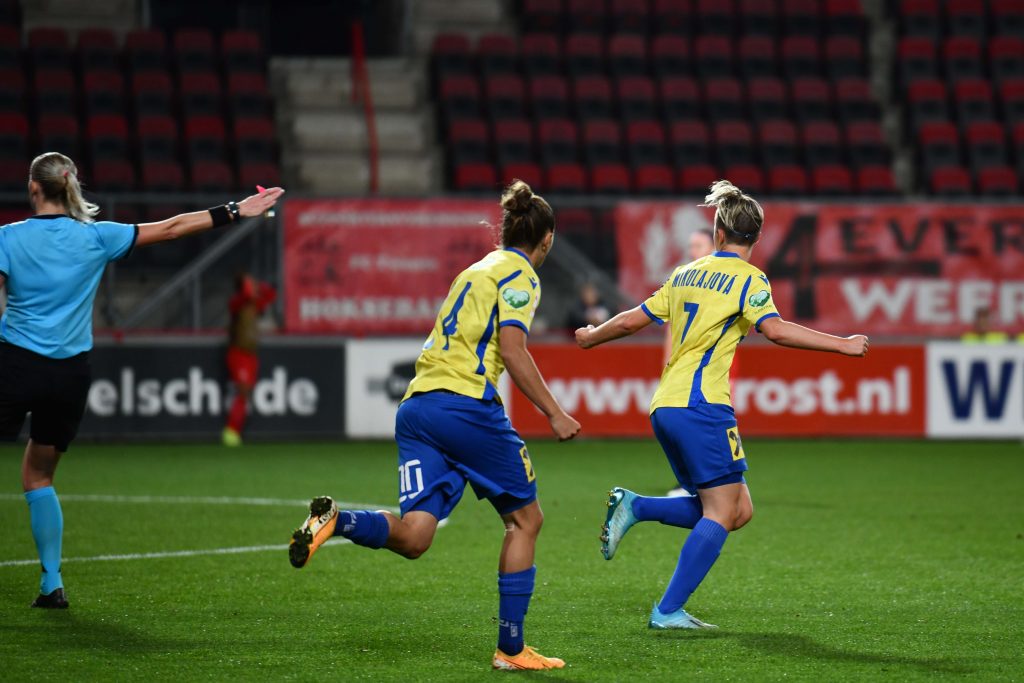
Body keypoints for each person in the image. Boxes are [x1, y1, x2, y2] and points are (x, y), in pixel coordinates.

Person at [288, 180, 580, 670]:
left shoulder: (474, 270)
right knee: (526, 520)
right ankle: (511, 650)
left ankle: (339, 520)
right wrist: (554, 412)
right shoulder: (522, 275)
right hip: (465, 406)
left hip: (417, 408)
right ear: (545, 240)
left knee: (416, 536)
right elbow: (512, 348)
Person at [575, 181, 869, 629]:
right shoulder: (750, 280)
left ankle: (635, 507)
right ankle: (667, 611)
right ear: (758, 237)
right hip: (702, 405)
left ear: (717, 232)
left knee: (737, 509)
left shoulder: (685, 274)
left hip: (665, 407)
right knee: (721, 510)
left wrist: (592, 337)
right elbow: (776, 330)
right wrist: (843, 345)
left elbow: (633, 319)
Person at [0, 152, 284, 609]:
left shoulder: (7, 239)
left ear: (33, 188)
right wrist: (234, 210)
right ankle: (51, 583)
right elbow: (171, 227)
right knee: (39, 476)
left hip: (13, 365)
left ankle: (52, 583)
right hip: (70, 373)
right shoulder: (97, 237)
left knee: (32, 472)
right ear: (69, 185)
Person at [664, 226, 716, 498]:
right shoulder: (683, 278)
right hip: (687, 369)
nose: (692, 250)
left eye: (698, 245)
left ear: (714, 246)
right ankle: (699, 482)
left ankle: (700, 482)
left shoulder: (716, 281)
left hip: (711, 365)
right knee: (697, 420)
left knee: (706, 419)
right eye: (691, 245)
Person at [223, 272, 277, 446]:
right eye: (250, 283)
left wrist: (259, 285)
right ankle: (231, 431)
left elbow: (271, 295)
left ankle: (235, 431)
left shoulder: (254, 304)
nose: (253, 286)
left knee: (246, 394)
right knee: (243, 391)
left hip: (251, 354)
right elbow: (243, 297)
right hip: (238, 352)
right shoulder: (237, 303)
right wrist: (248, 287)